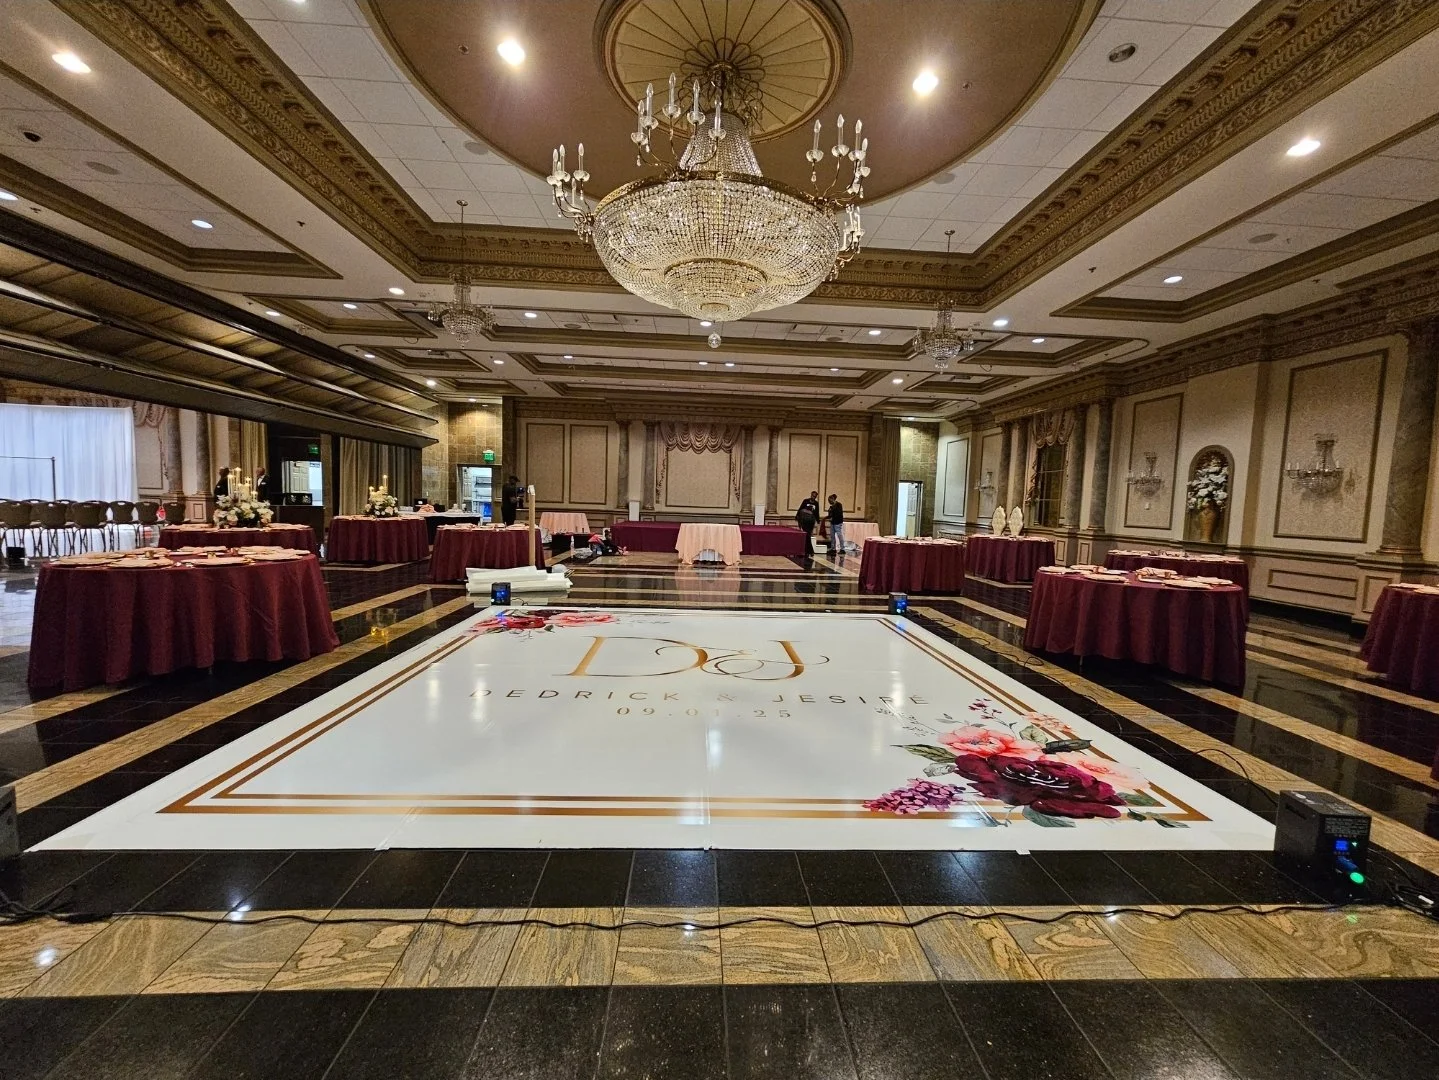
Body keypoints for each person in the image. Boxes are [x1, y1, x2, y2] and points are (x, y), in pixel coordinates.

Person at [796, 490, 820, 555]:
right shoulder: (805, 501)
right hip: (804, 521)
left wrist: (818, 521)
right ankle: (810, 551)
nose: (813, 497)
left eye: (815, 496)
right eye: (813, 495)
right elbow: (800, 508)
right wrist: (797, 516)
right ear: (811, 495)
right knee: (807, 535)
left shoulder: (816, 503)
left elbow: (817, 512)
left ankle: (808, 551)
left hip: (811, 521)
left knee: (808, 535)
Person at [827, 493, 846, 558]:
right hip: (832, 522)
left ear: (833, 499)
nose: (829, 502)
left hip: (838, 522)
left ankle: (842, 548)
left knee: (839, 535)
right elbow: (830, 514)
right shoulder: (831, 507)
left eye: (829, 500)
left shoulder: (839, 505)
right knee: (832, 536)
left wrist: (832, 516)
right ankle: (833, 548)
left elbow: (839, 513)